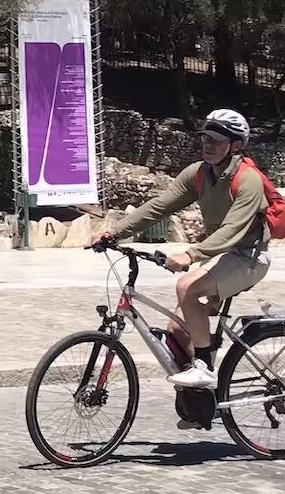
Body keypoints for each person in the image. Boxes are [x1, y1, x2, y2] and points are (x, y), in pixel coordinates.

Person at [93, 108, 271, 390]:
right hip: (220, 256)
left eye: (217, 140)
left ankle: (203, 368)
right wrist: (113, 231)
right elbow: (158, 207)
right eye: (205, 139)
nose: (208, 146)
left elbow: (232, 230)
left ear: (236, 146)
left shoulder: (249, 180)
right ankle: (200, 398)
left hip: (247, 257)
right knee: (178, 329)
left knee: (187, 288)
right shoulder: (199, 174)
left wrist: (190, 255)